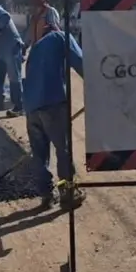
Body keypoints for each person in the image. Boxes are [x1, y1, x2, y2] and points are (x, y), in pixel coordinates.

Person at [23, 23, 86, 209]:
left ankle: (46, 195)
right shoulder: (61, 36)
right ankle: (68, 192)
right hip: (52, 104)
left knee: (39, 154)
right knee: (62, 148)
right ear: (56, 27)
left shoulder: (35, 48)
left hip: (31, 108)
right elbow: (81, 63)